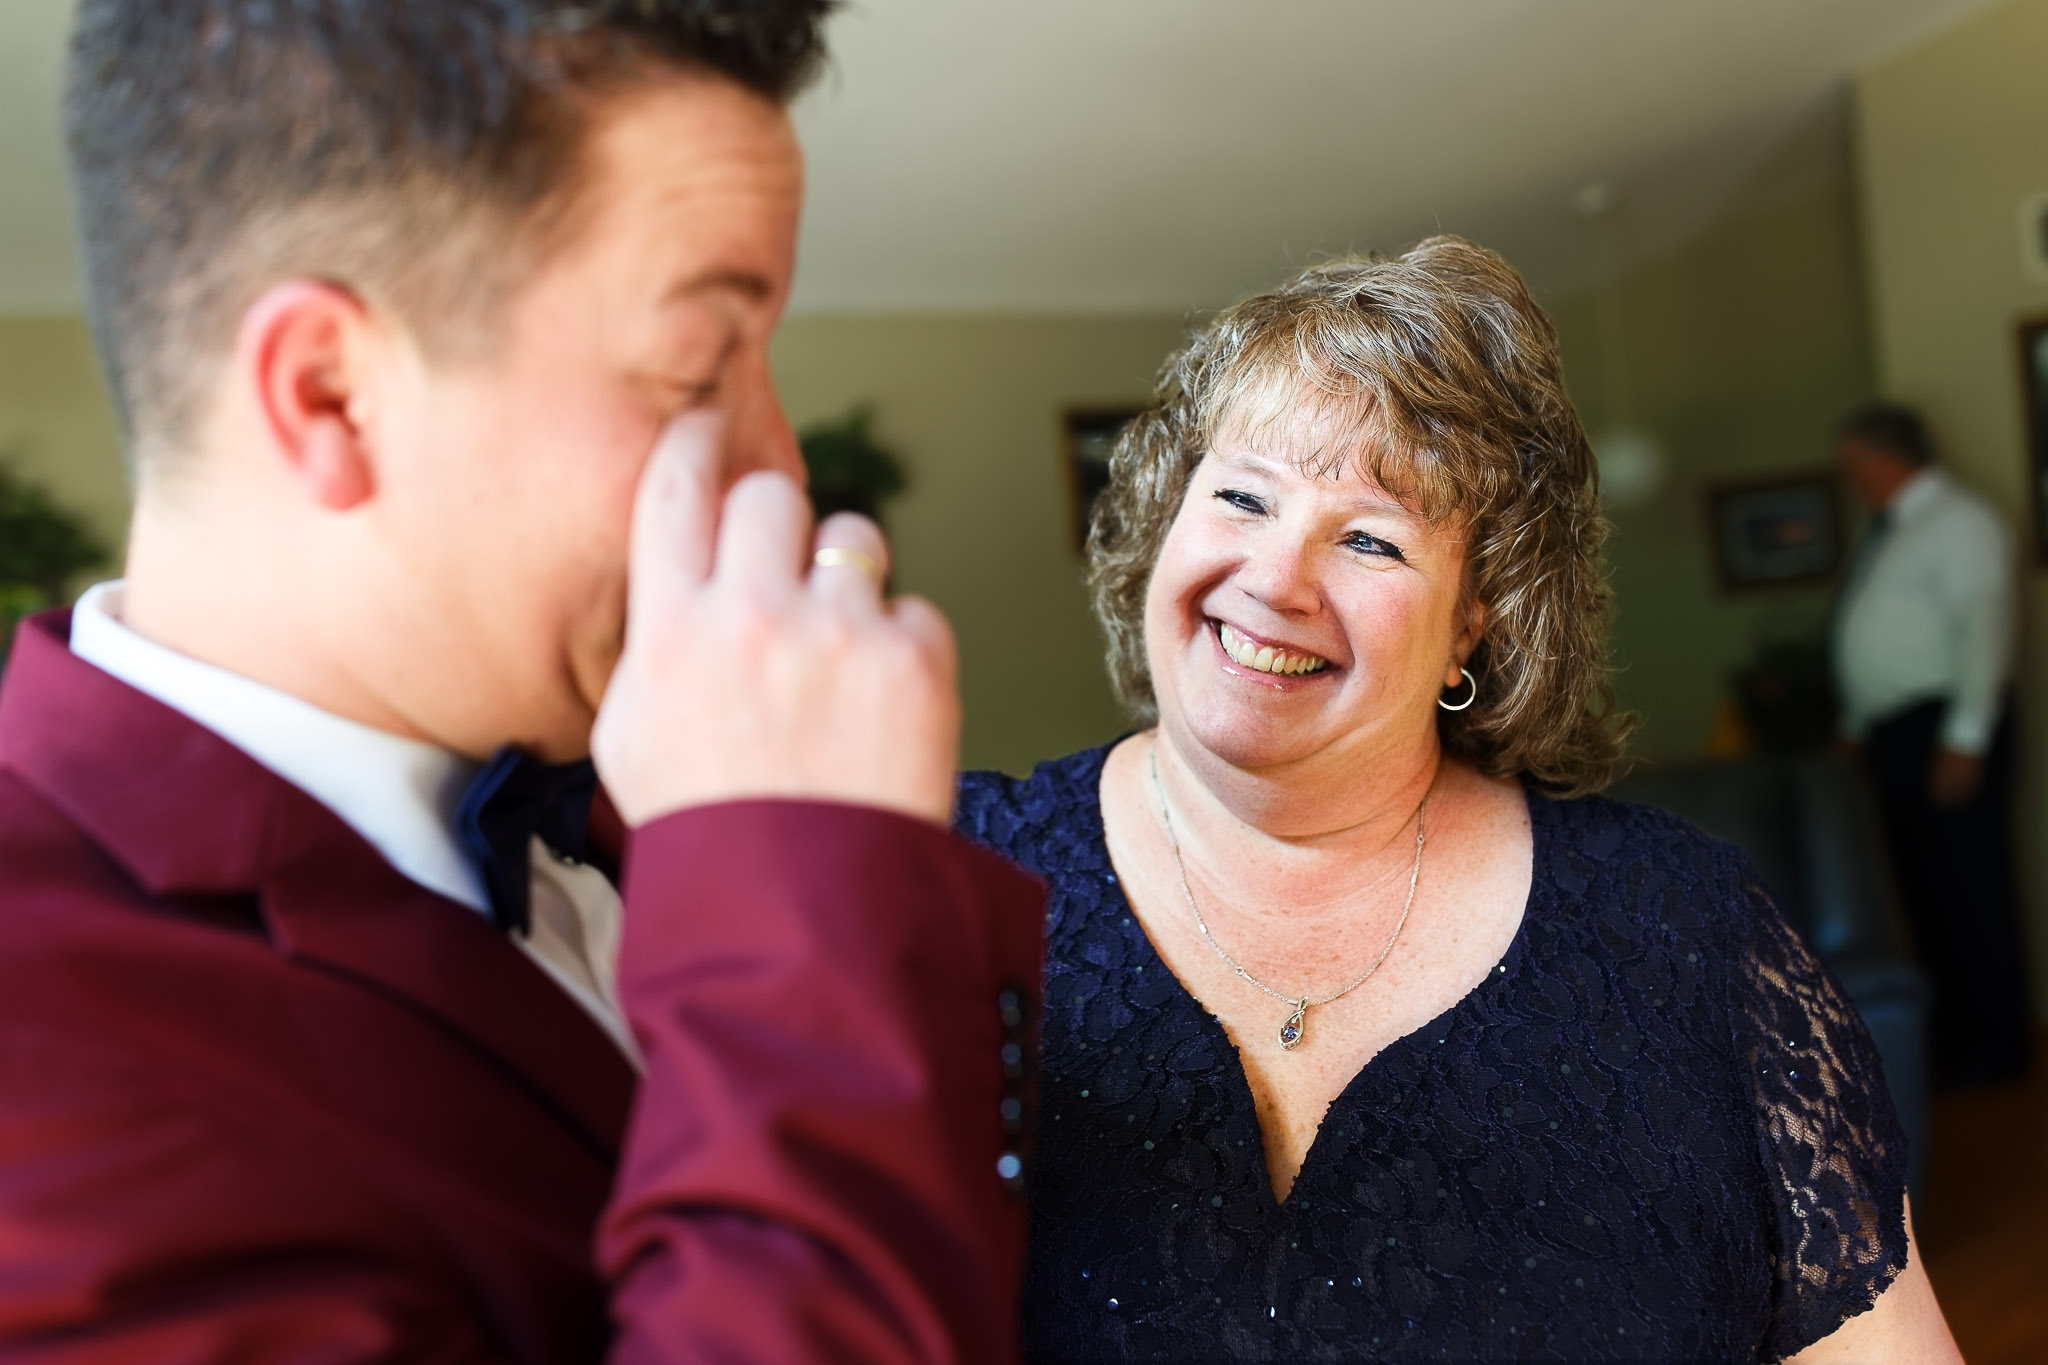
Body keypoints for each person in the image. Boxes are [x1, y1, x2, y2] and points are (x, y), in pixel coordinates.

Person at [0, 3, 1043, 1361]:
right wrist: (807, 887)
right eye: (695, 370)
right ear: (330, 394)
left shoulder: (648, 772)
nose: (775, 468)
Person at [956, 239, 1962, 1361]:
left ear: (1469, 629)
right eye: (1241, 496)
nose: (1276, 579)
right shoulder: (939, 885)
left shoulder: (1686, 930)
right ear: (1162, 525)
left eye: (1370, 539)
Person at [1832, 403, 2032, 1086]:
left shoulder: (1961, 522)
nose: (1849, 478)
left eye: (1852, 465)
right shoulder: (1891, 531)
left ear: (1878, 459)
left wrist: (1966, 740)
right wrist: (1857, 730)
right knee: (1924, 892)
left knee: (1970, 888)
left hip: (1944, 729)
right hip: (1897, 735)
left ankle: (1997, 1051)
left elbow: (1985, 630)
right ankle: (1952, 1046)